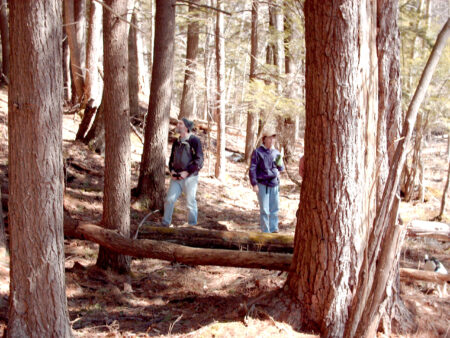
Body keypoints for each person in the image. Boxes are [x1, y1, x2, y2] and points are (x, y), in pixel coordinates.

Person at [161, 118, 203, 227]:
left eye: (180, 123)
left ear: (186, 127)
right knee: (169, 200)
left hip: (190, 178)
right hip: (176, 178)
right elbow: (171, 159)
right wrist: (172, 171)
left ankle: (192, 226)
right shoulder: (177, 141)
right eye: (178, 123)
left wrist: (187, 172)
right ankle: (165, 225)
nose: (177, 125)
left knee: (190, 203)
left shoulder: (194, 141)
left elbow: (199, 161)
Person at [249, 129, 284, 233]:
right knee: (264, 209)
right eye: (269, 138)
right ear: (264, 139)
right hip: (262, 184)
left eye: (273, 138)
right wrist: (254, 184)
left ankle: (274, 230)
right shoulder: (258, 152)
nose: (272, 140)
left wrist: (279, 168)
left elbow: (280, 168)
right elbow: (252, 169)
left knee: (274, 208)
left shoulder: (276, 153)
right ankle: (265, 231)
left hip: (274, 184)